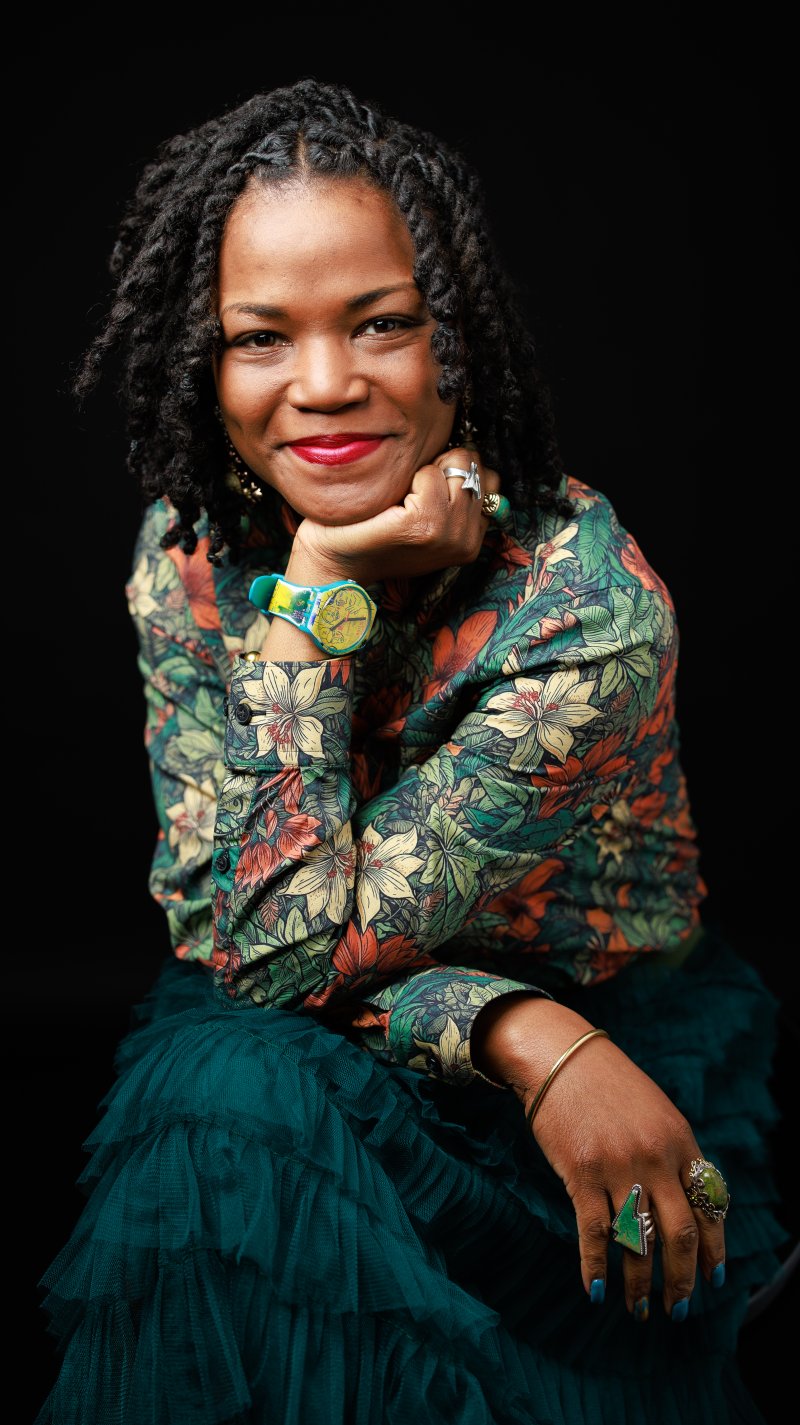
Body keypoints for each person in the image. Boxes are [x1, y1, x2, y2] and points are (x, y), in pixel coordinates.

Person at [35, 77, 787, 1424]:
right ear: (202, 363)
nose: (324, 386)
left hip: (600, 1045)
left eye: (381, 323)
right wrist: (327, 581)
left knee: (233, 1082)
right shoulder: (195, 551)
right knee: (232, 1084)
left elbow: (278, 952)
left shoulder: (582, 609)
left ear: (457, 337)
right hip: (396, 1026)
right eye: (260, 338)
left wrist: (543, 1025)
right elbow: (254, 943)